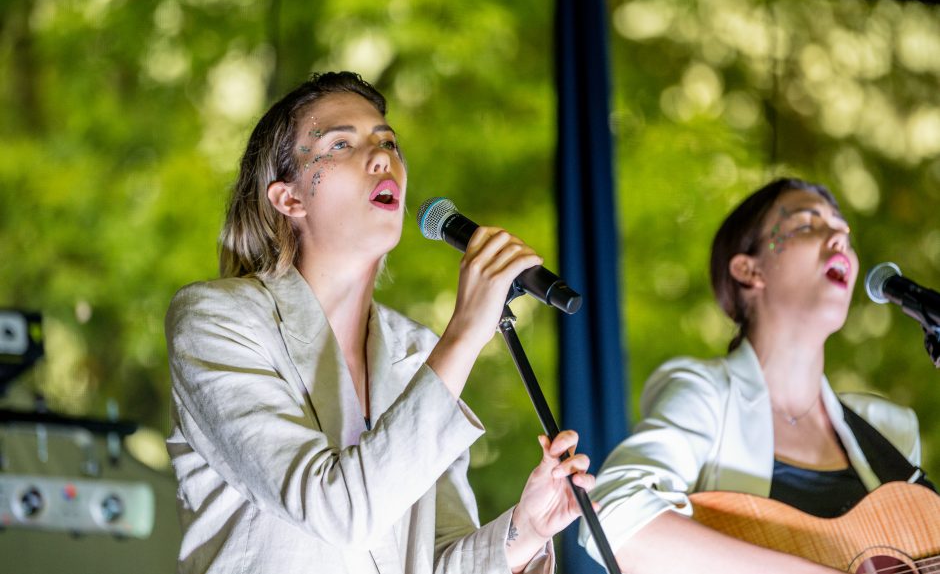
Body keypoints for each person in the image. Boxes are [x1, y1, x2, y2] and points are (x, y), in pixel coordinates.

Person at [165, 71, 594, 574]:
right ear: (289, 199)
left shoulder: (417, 350)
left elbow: (433, 561)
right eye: (341, 143)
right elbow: (338, 512)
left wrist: (525, 529)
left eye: (387, 140)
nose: (382, 156)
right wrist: (464, 335)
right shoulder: (217, 321)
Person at [580, 178, 931, 573]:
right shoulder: (707, 396)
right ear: (749, 270)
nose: (838, 237)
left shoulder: (889, 428)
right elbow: (610, 513)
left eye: (843, 229)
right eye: (807, 224)